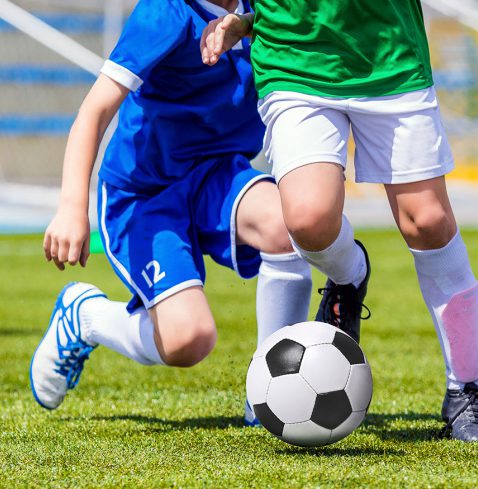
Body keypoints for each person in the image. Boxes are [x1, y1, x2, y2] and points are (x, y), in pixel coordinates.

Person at [201, 1, 478, 442]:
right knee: (308, 219)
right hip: (296, 58)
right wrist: (247, 21)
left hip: (389, 54)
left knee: (427, 222)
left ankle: (465, 388)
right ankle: (349, 274)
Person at [29, 0, 312, 427]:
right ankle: (86, 316)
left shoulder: (270, 7)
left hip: (217, 172)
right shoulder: (164, 12)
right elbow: (94, 111)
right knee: (189, 340)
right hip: (147, 190)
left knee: (289, 224)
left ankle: (270, 392)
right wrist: (72, 206)